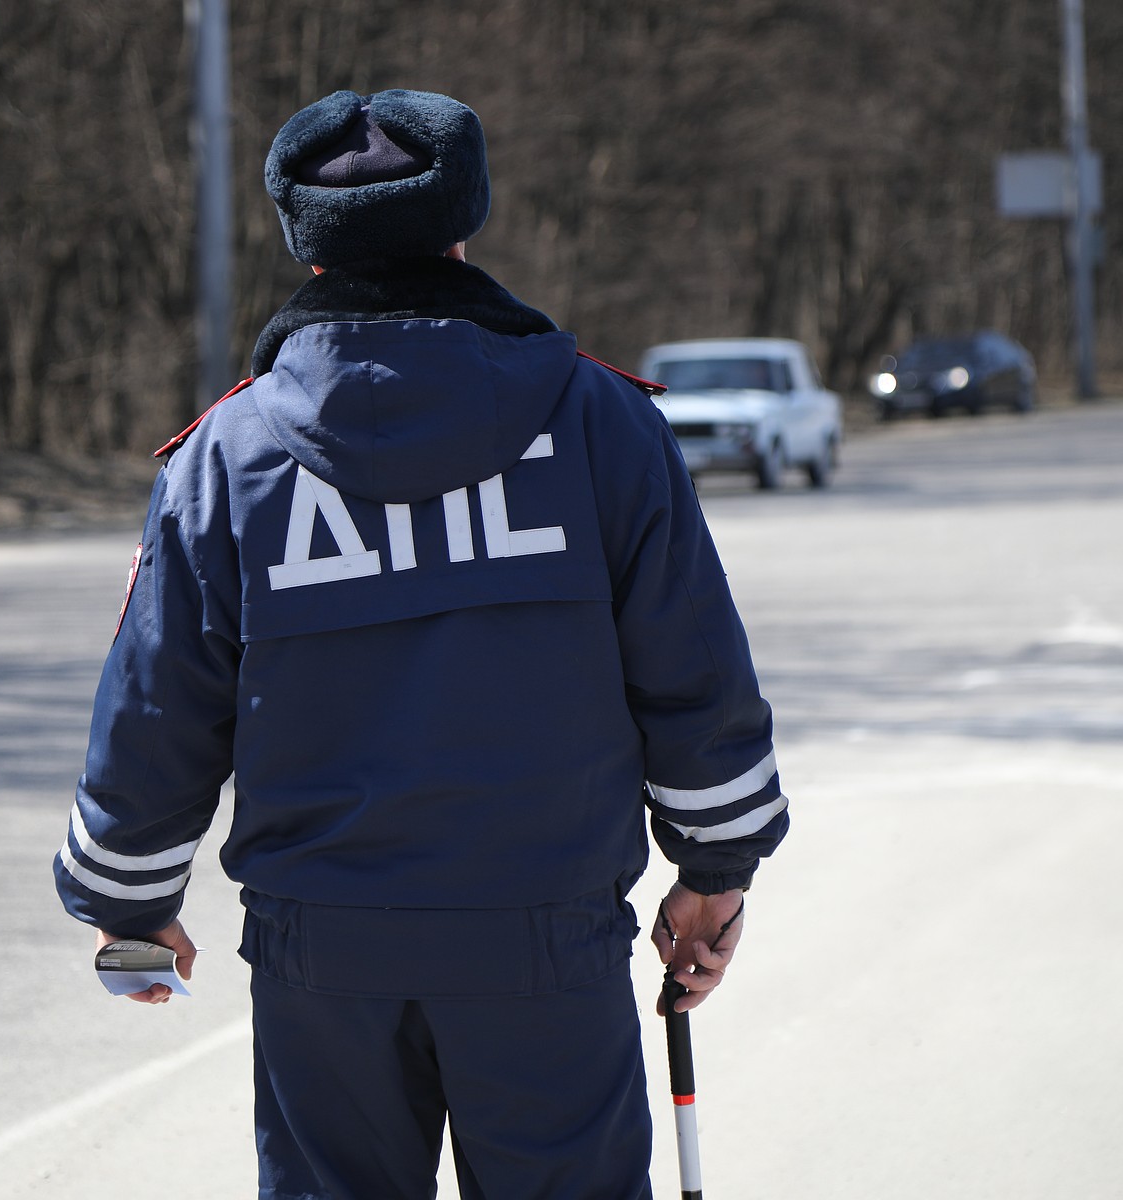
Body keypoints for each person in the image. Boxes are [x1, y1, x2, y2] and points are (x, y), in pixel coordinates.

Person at [54, 87, 788, 1200]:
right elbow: (694, 672)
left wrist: (131, 906)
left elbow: (159, 703)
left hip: (325, 953)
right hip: (546, 936)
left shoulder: (226, 458)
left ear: (309, 250)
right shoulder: (600, 423)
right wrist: (714, 872)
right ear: (463, 226)